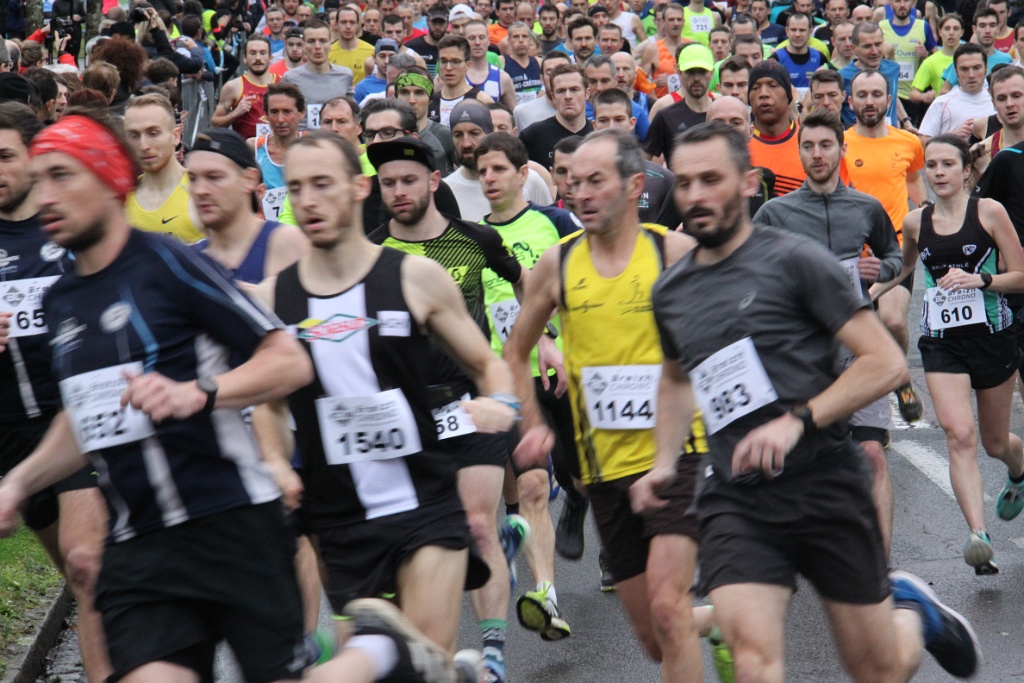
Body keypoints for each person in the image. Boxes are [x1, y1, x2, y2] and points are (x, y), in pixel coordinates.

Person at [634, 120, 983, 683]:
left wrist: (796, 422)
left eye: (711, 180)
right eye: (685, 182)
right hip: (737, 495)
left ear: (748, 183)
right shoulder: (671, 290)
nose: (695, 195)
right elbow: (676, 379)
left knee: (879, 670)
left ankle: (915, 616)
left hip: (823, 480)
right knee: (752, 661)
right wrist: (663, 462)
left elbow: (885, 362)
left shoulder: (795, 260)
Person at [0, 109, 316, 683]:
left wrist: (200, 392)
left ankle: (385, 654)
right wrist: (18, 483)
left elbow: (288, 361)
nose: (45, 195)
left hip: (231, 525)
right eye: (39, 179)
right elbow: (83, 416)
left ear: (108, 179)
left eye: (61, 176)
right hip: (139, 548)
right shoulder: (60, 301)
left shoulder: (170, 263)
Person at [250, 131, 519, 674]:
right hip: (338, 517)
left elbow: (486, 362)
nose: (308, 201)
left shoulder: (415, 278)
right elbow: (269, 402)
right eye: (297, 188)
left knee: (420, 658)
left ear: (357, 188)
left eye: (323, 184)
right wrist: (275, 462)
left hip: (425, 502)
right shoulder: (271, 300)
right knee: (392, 671)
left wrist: (502, 402)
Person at [504, 128, 731, 683]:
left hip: (680, 456)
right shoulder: (557, 265)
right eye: (573, 181)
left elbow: (732, 331)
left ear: (633, 186)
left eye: (595, 181)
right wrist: (533, 424)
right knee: (655, 637)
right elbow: (515, 351)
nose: (580, 192)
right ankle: (726, 620)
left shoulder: (671, 252)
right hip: (604, 468)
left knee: (668, 610)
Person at [366, 134, 527, 683]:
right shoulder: (372, 254)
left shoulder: (476, 239)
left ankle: (492, 656)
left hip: (470, 399)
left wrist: (533, 344)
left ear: (434, 181)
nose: (398, 191)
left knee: (477, 523)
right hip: (405, 413)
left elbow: (525, 286)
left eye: (409, 181)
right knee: (422, 540)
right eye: (388, 183)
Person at [872, 134, 1024, 576]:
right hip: (942, 342)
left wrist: (982, 281)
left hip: (993, 337)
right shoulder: (915, 222)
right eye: (932, 165)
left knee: (995, 443)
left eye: (947, 164)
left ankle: (1019, 472)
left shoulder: (989, 212)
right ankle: (979, 537)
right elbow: (904, 266)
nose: (938, 172)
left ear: (965, 171)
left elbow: (1021, 275)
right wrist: (872, 290)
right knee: (959, 435)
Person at [754, 109, 904, 553]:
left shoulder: (866, 207)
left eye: (825, 145)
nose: (816, 154)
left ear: (842, 149)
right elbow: (749, 268)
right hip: (802, 358)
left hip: (860, 352)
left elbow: (894, 255)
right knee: (804, 466)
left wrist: (881, 270)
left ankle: (878, 569)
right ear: (799, 152)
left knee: (872, 455)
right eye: (808, 146)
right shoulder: (775, 213)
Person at [0, 102, 111, 683]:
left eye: (5, 157)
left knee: (87, 565)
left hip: (73, 419)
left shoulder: (64, 227)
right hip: (10, 433)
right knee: (82, 577)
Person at [474, 132, 577, 645]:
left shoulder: (554, 224)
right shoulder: (471, 238)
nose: (489, 179)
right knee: (532, 485)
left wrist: (557, 340)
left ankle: (578, 504)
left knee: (581, 482)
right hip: (507, 378)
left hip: (563, 372)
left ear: (522, 174)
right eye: (481, 171)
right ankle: (546, 596)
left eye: (498, 169)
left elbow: (581, 290)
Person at [845, 69, 928, 422]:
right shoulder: (841, 144)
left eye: (876, 94)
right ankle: (872, 412)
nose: (869, 101)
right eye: (862, 95)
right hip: (850, 252)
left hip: (894, 248)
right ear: (850, 101)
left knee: (892, 321)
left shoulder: (908, 142)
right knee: (857, 334)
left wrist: (926, 213)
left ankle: (901, 380)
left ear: (889, 99)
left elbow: (914, 182)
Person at [447, 100, 553, 221]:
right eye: (458, 135)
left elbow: (551, 225)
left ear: (490, 133)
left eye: (474, 133)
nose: (466, 143)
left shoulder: (529, 180)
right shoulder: (447, 190)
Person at [593, 88, 680, 227]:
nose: (611, 127)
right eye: (603, 120)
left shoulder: (661, 178)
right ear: (594, 125)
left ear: (632, 123)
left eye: (619, 119)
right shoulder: (583, 177)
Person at [123, 93, 203, 244]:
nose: (144, 145)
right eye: (134, 135)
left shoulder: (201, 192)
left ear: (176, 136)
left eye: (153, 133)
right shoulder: (122, 199)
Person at [705, 95, 777, 217]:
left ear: (751, 131)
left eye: (736, 123)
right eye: (718, 123)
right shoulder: (690, 180)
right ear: (705, 130)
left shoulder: (764, 180)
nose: (727, 129)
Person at [643, 45, 714, 163]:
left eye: (702, 72)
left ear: (712, 73)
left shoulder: (724, 113)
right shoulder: (665, 116)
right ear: (679, 73)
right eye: (690, 72)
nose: (696, 78)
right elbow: (642, 162)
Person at [840, 21, 914, 129]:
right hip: (859, 137)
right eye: (867, 46)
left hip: (890, 136)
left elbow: (893, 96)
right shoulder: (842, 77)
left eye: (878, 44)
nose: (874, 51)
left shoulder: (893, 68)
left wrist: (906, 122)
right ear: (853, 49)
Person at [748, 61, 807, 195]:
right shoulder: (739, 148)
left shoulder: (809, 142)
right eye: (755, 88)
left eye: (772, 85)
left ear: (788, 95)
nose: (763, 93)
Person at [283, 18, 354, 130]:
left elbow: (350, 115)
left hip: (334, 139)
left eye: (322, 41)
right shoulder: (290, 78)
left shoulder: (345, 75)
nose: (317, 46)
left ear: (330, 43)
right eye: (311, 41)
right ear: (304, 45)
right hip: (303, 139)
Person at [519, 63, 594, 167]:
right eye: (561, 91)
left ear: (587, 93)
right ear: (553, 97)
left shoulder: (598, 134)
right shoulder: (532, 136)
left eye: (574, 89)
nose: (568, 96)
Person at [920, 43, 997, 141]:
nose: (971, 75)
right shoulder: (942, 102)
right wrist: (951, 136)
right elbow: (922, 141)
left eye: (976, 68)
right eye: (964, 69)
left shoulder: (998, 101)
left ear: (986, 68)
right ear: (956, 72)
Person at [880, 0, 938, 123]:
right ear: (891, 4)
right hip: (890, 94)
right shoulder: (881, 27)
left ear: (912, 3)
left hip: (913, 96)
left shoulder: (923, 26)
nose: (902, 5)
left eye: (906, 1)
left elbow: (937, 57)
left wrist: (926, 55)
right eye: (897, 1)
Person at [213, 35, 280, 141]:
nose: (258, 58)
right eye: (252, 53)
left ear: (270, 58)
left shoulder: (282, 83)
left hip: (279, 148)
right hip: (245, 149)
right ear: (244, 58)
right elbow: (215, 124)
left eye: (263, 53)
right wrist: (235, 114)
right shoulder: (233, 87)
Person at [251, 81, 305, 205]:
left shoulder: (313, 147)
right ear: (266, 115)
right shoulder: (254, 147)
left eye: (287, 112)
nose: (280, 119)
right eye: (274, 112)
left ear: (301, 113)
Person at [940, 8, 1013, 90]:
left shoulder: (1006, 59)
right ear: (974, 29)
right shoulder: (963, 59)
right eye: (982, 26)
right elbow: (944, 90)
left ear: (998, 29)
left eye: (992, 25)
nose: (987, 30)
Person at [430, 34, 495, 126]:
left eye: (455, 62)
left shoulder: (482, 100)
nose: (448, 68)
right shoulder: (430, 101)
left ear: (468, 65)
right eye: (443, 61)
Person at [910, 13, 964, 107]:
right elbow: (913, 93)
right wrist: (923, 96)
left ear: (962, 32)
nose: (951, 33)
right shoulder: (930, 61)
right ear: (940, 32)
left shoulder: (971, 57)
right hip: (944, 110)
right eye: (947, 29)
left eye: (955, 29)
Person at [773, 12, 830, 99]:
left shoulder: (820, 57)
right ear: (787, 31)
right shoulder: (776, 58)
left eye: (802, 30)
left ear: (810, 32)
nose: (797, 35)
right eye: (793, 30)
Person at [466, 21, 518, 112]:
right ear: (464, 42)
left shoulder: (502, 78)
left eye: (481, 37)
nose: (477, 42)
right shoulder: (455, 75)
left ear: (488, 40)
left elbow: (514, 114)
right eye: (472, 38)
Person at [638, 3, 687, 100]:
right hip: (662, 103)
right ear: (663, 22)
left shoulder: (693, 46)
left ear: (684, 22)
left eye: (679, 19)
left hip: (688, 102)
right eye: (671, 20)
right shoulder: (652, 49)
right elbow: (641, 84)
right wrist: (655, 83)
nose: (676, 23)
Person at [513, 51, 569, 131]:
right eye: (550, 73)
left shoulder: (581, 107)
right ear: (542, 79)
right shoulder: (523, 112)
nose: (556, 77)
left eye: (562, 72)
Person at [504, 22, 544, 104]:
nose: (521, 40)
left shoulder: (540, 63)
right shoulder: (501, 62)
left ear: (529, 40)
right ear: (509, 40)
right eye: (516, 37)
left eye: (524, 36)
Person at [405, 4, 448, 75]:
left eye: (441, 22)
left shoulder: (453, 47)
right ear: (427, 21)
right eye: (434, 22)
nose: (437, 27)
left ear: (448, 23)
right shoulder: (412, 47)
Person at [355, 39, 398, 104]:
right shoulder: (362, 87)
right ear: (374, 58)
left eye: (391, 56)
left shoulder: (404, 83)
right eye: (382, 56)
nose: (387, 61)